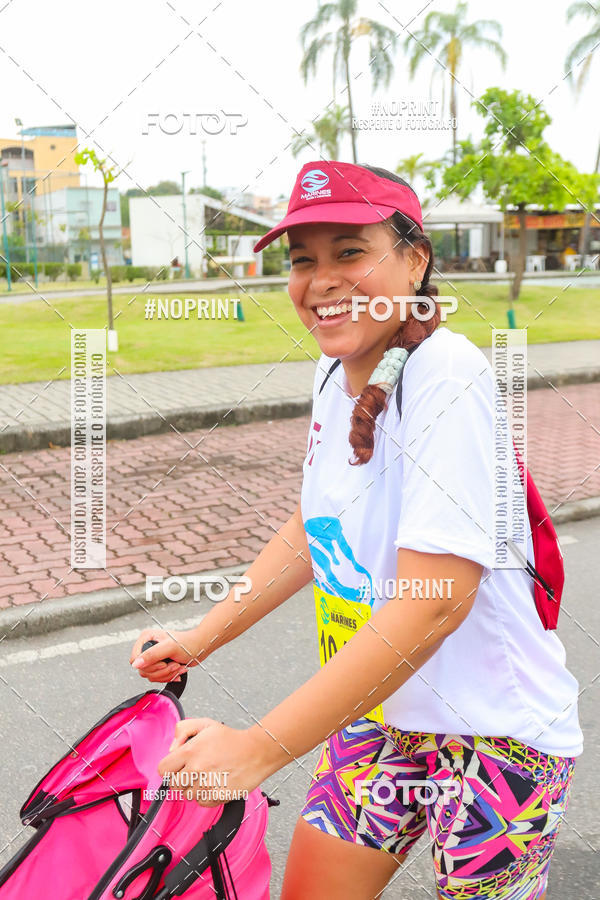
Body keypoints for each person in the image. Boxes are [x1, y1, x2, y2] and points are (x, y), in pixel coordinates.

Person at [129, 161, 582, 900]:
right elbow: (317, 527)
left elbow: (434, 603)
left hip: (497, 738)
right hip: (382, 713)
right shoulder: (331, 373)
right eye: (303, 260)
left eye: (350, 251)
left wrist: (255, 750)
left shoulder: (448, 376)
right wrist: (201, 636)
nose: (322, 280)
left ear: (415, 257)